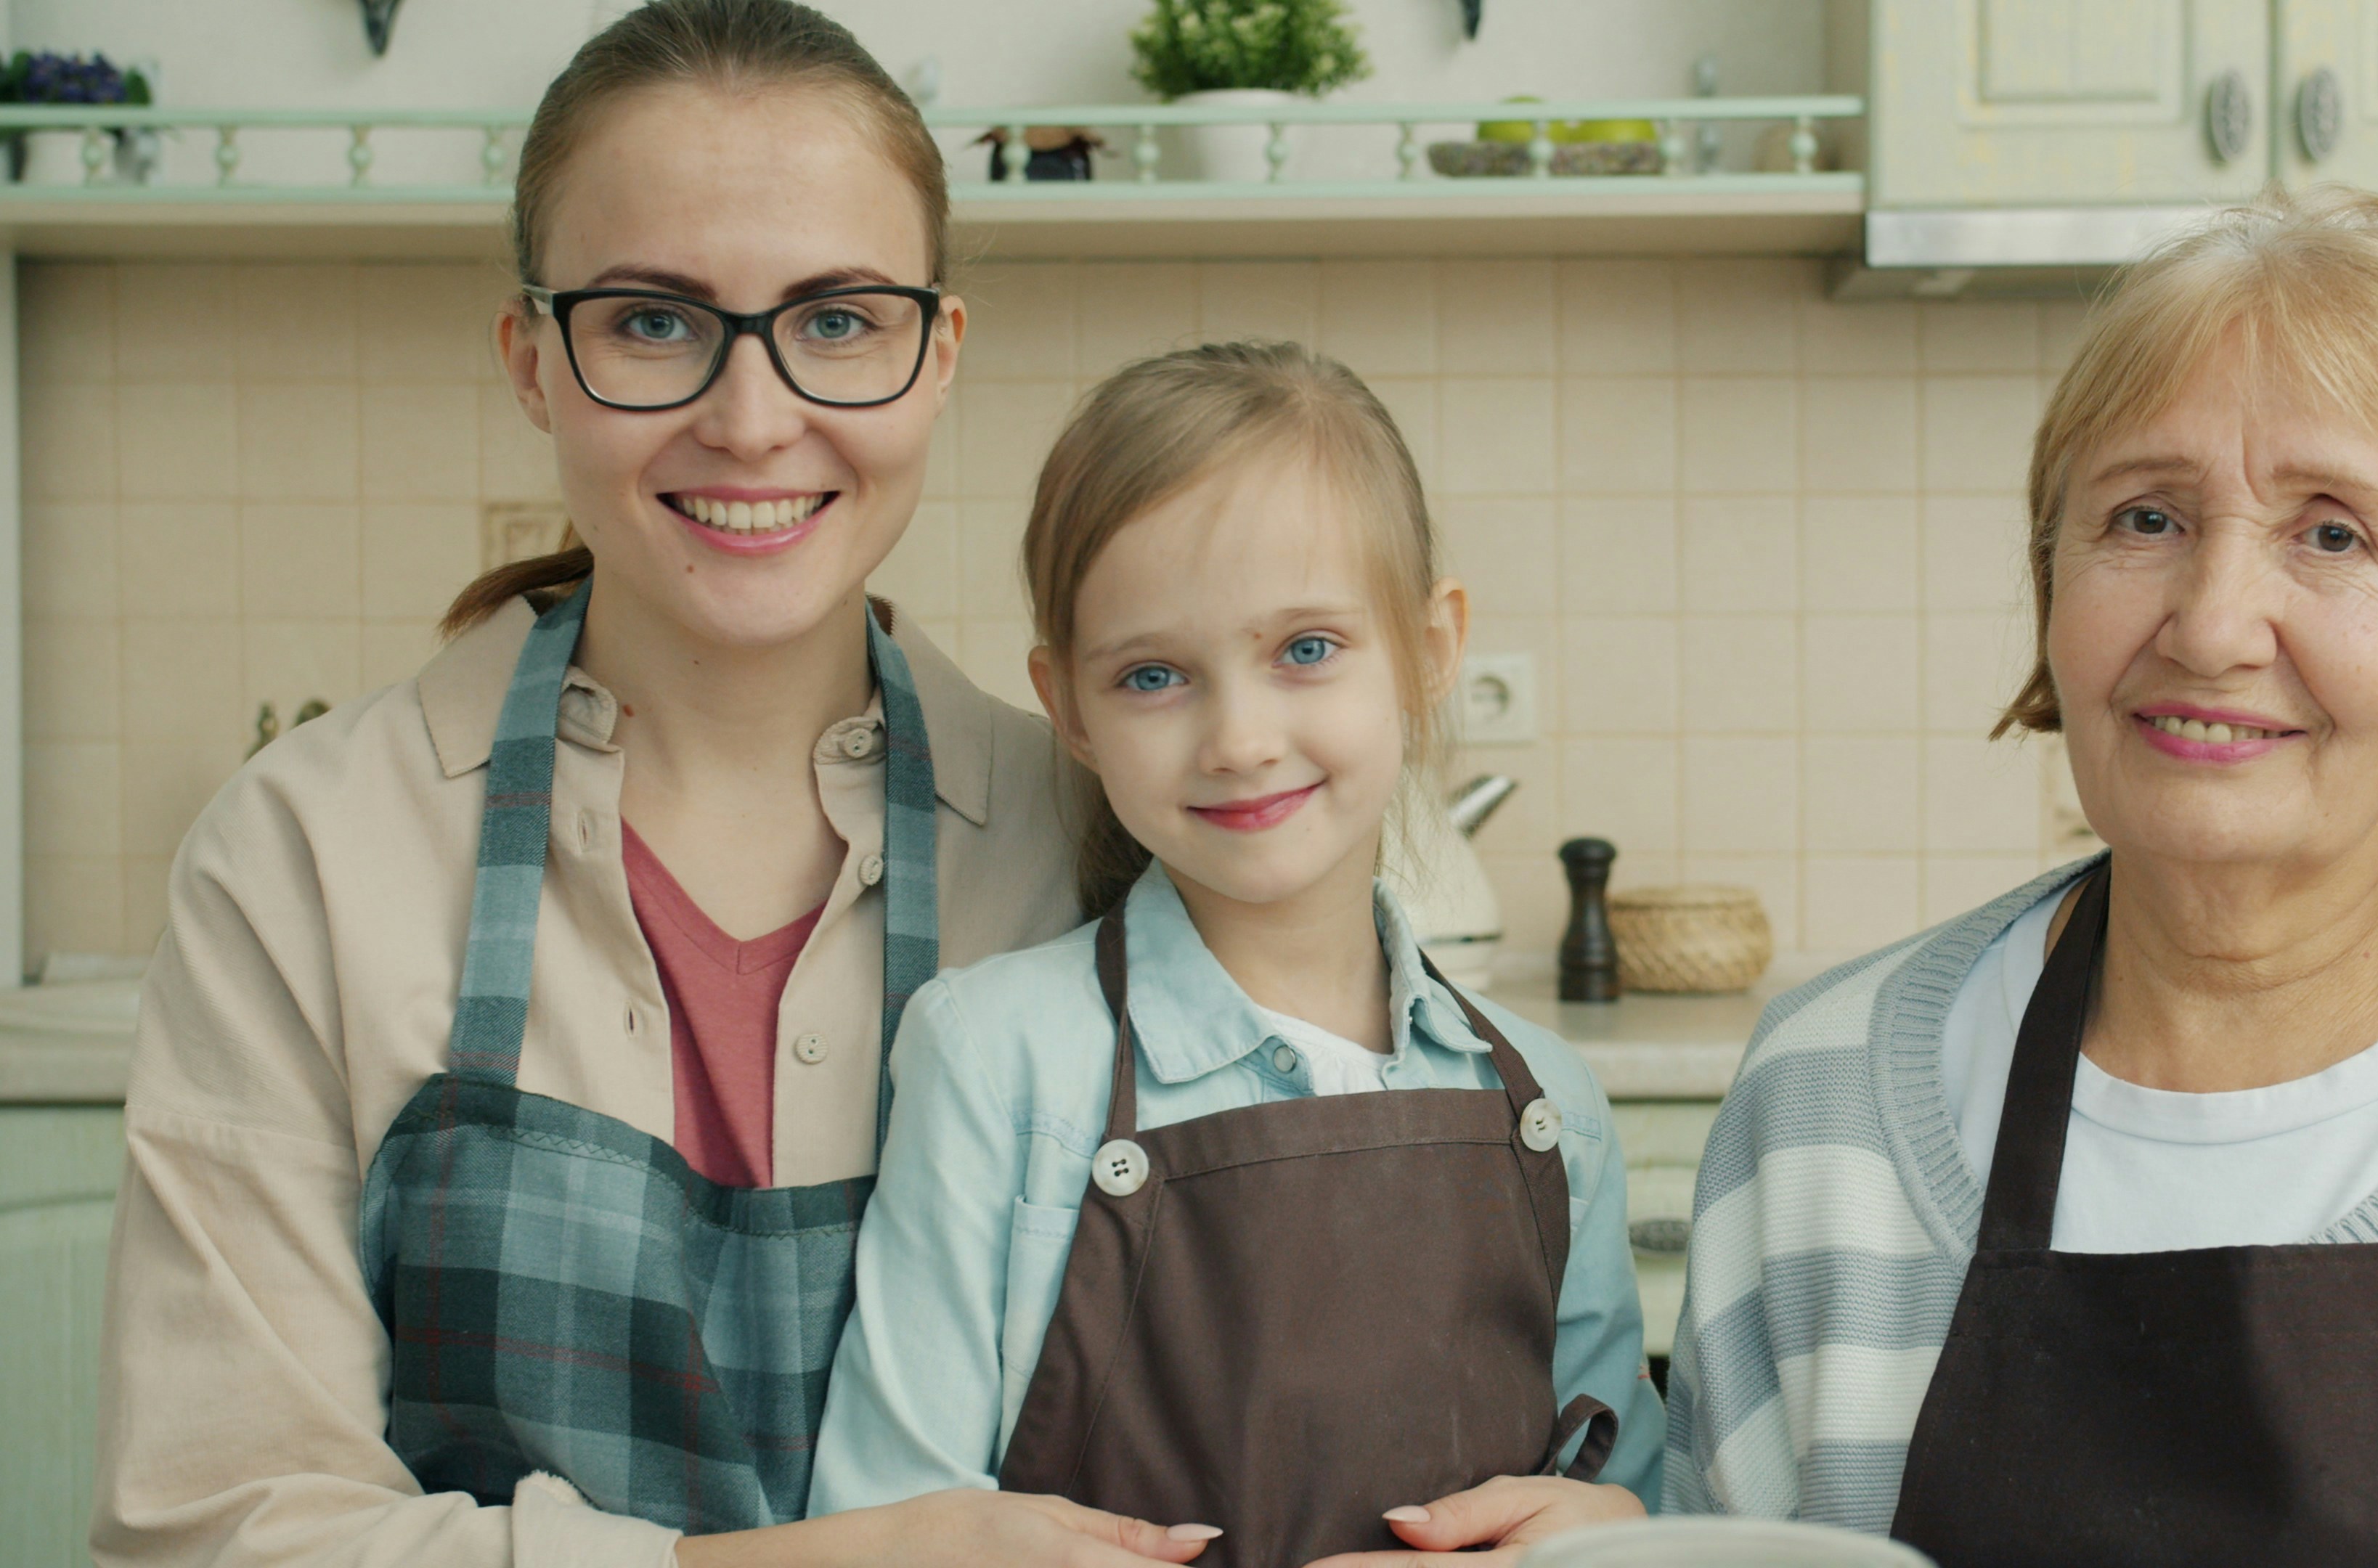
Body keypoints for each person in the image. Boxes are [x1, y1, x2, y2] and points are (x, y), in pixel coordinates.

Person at [91, 4, 1214, 1565]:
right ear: (533, 364)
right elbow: (219, 1534)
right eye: (651, 322)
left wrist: (1578, 1485)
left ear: (937, 355)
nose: (752, 421)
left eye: (836, 320)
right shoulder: (306, 858)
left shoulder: (1101, 837)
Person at [1668, 186, 2378, 1565]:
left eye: (2332, 533)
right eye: (2146, 519)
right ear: (2053, 583)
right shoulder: (1820, 1111)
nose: (2209, 626)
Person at [807, 342, 1664, 1564]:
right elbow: (882, 1527)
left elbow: (1626, 1494)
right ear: (1072, 711)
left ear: (1430, 651)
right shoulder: (994, 1059)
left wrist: (1605, 1525)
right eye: (1154, 676)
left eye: (1306, 649)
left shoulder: (1549, 1104)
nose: (1241, 739)